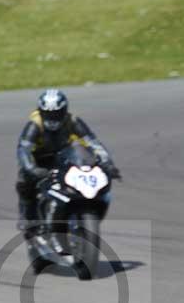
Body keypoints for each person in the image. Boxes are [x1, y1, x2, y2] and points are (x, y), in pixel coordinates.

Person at [16, 88, 121, 238]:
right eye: (48, 114)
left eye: (57, 114)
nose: (53, 118)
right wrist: (31, 168)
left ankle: (73, 209)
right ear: (41, 111)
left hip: (64, 158)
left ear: (64, 110)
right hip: (39, 160)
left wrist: (107, 163)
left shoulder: (73, 121)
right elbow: (23, 149)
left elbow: (93, 143)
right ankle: (27, 216)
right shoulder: (35, 124)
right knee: (24, 181)